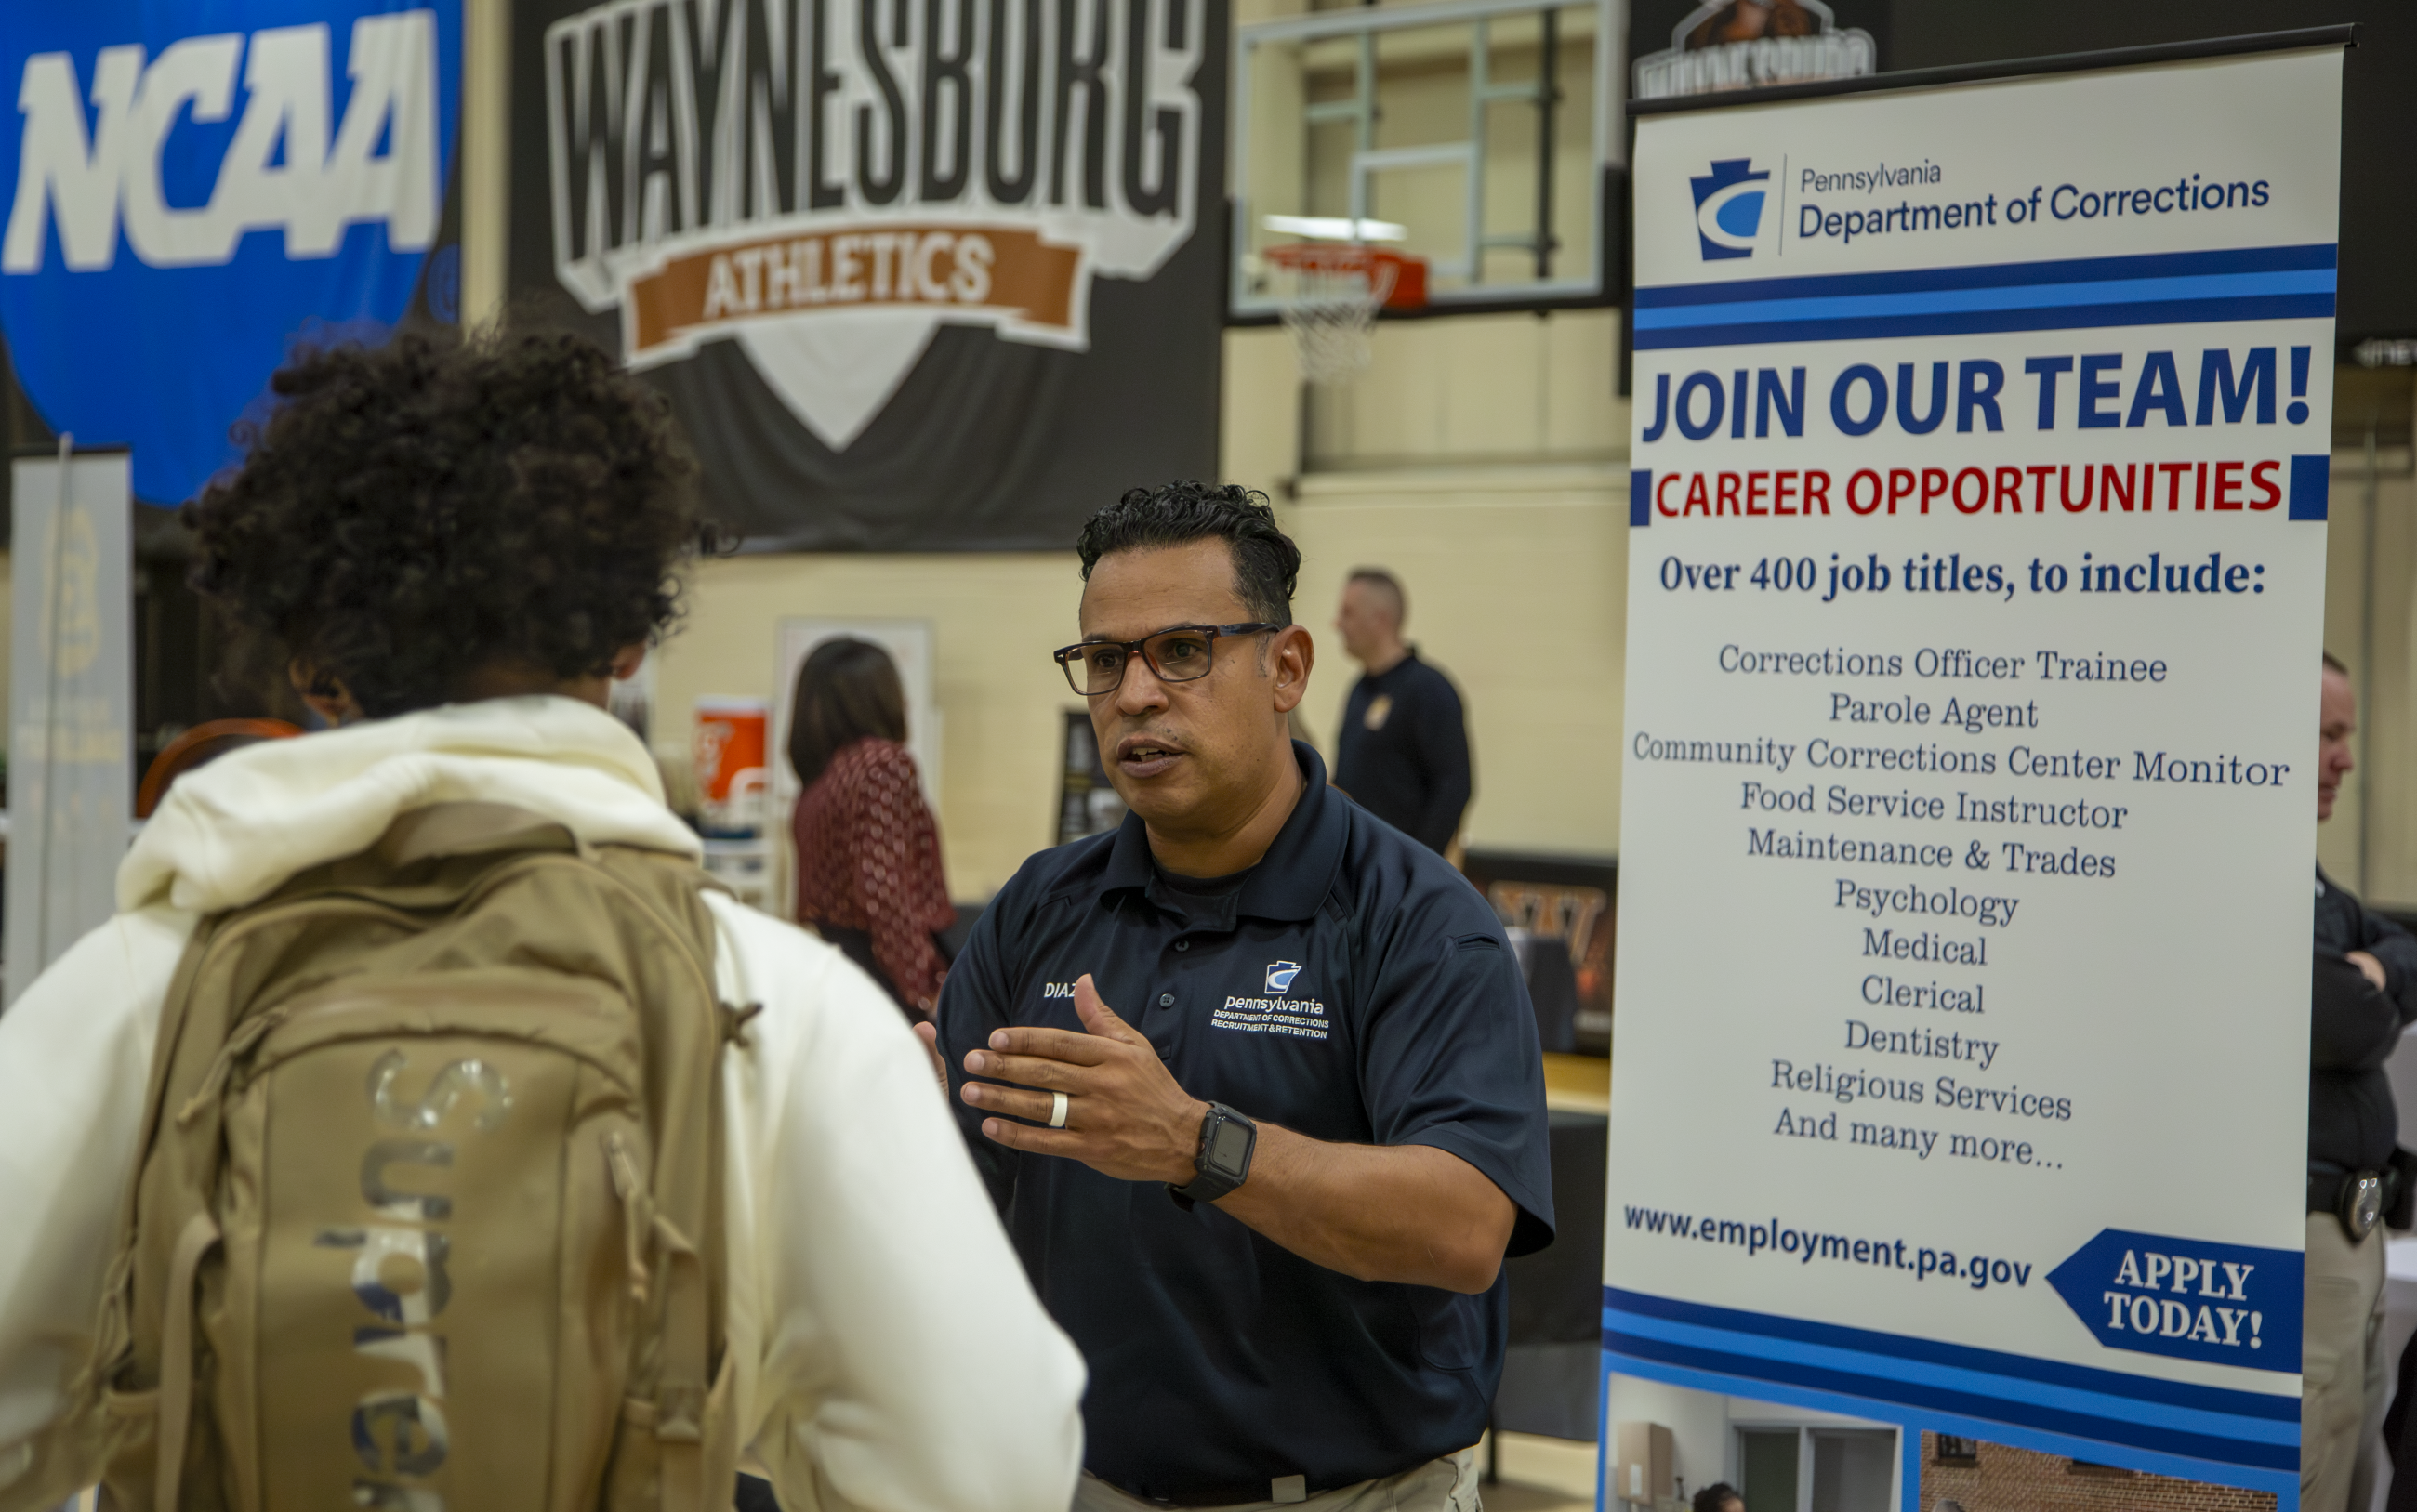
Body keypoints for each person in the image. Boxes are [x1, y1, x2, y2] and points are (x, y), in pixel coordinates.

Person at [0, 330, 1082, 1512]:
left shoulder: (142, 986)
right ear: (627, 636)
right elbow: (990, 1460)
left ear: (314, 669)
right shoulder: (773, 1002)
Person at [927, 481, 1552, 1510]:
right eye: (1103, 659)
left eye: (1180, 650)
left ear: (1285, 666)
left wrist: (1191, 1141)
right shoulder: (1041, 903)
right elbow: (968, 1190)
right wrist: (901, 1125)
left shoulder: (1417, 921)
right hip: (1073, 1481)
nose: (1133, 694)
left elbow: (1464, 1225)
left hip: (1350, 1493)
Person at [2305, 650, 2417, 1512]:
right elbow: (2347, 1019)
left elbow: (2407, 949)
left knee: (2359, 1455)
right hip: (2307, 1246)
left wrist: (2373, 969)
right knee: (2315, 1462)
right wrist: (2372, 984)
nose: (2346, 758)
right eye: (2327, 734)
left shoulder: (2318, 888)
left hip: (2361, 1233)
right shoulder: (2244, 882)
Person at [787, 636, 956, 1018]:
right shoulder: (883, 765)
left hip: (841, 966)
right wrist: (926, 991)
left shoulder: (821, 779)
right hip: (885, 972)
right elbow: (885, 892)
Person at [1331, 568, 1472, 856]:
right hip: (1358, 868)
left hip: (1404, 876)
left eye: (1348, 613)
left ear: (1379, 619)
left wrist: (1417, 865)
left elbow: (1454, 786)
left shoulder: (1428, 690)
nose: (1337, 624)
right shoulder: (1359, 689)